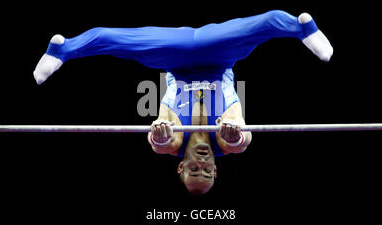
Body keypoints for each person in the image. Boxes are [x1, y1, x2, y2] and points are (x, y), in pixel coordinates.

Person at [33, 10, 333, 194]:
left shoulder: (175, 145)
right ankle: (302, 28)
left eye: (194, 170)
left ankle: (63, 49)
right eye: (207, 171)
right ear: (216, 169)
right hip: (220, 57)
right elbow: (243, 141)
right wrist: (238, 134)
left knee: (117, 40)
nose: (202, 164)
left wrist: (160, 136)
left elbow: (162, 144)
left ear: (181, 168)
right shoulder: (226, 144)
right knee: (263, 23)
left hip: (174, 58)